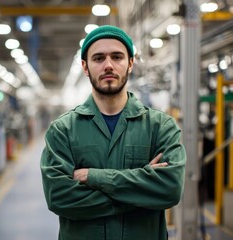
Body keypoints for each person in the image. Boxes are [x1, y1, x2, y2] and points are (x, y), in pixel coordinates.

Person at [40, 25, 186, 240]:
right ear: (85, 66)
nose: (108, 65)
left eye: (117, 57)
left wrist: (94, 177)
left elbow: (170, 189)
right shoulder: (63, 130)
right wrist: (140, 195)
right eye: (98, 58)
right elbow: (59, 197)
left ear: (130, 63)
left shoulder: (161, 127)